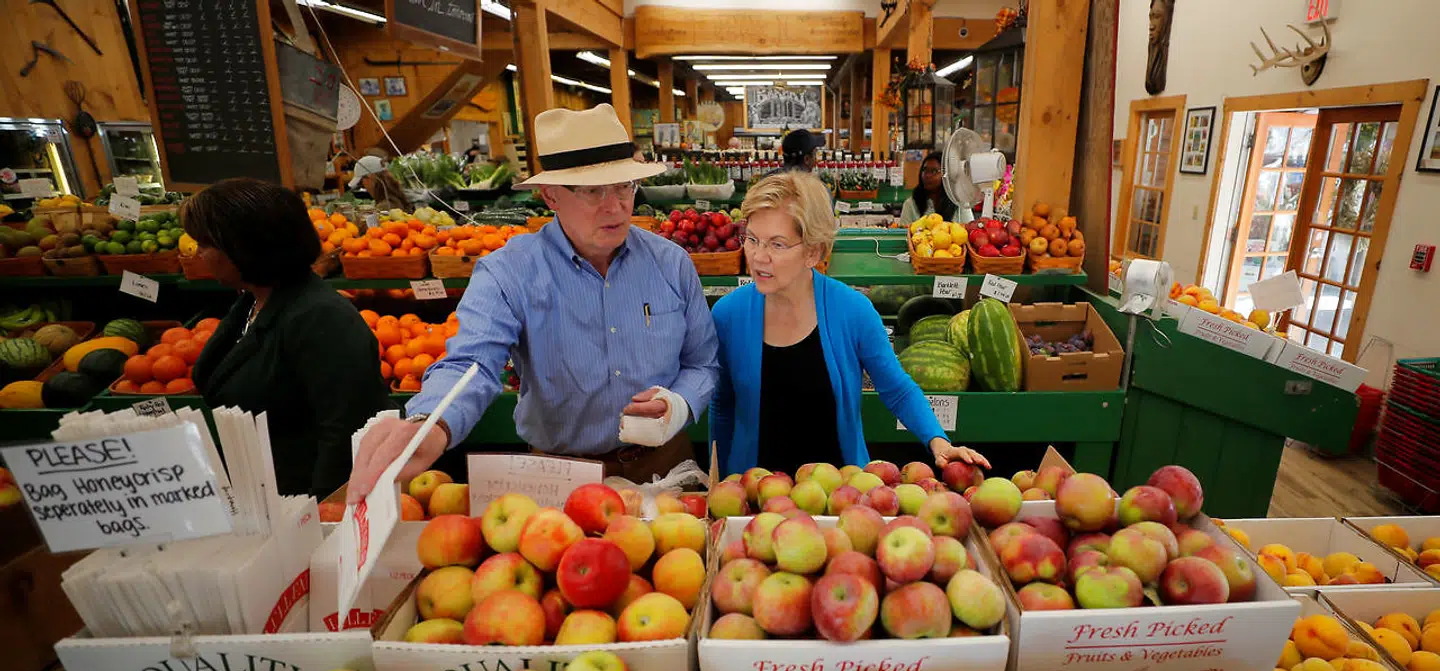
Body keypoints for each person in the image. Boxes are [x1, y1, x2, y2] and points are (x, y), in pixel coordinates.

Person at [346, 104, 719, 500]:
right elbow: (471, 361)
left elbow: (703, 362)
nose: (615, 206)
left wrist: (680, 404)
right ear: (550, 195)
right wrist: (431, 421)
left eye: (624, 186)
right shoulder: (509, 272)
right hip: (561, 476)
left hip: (665, 470)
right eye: (593, 190)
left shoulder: (670, 263)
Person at [710, 173, 989, 478]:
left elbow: (897, 388)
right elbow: (722, 406)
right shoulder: (728, 315)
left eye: (777, 244)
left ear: (813, 252)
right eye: (752, 239)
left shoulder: (852, 311)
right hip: (755, 493)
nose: (758, 257)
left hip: (842, 494)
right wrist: (721, 480)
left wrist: (938, 441)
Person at [184, 178, 393, 498]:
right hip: (260, 493)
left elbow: (344, 434)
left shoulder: (322, 318)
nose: (198, 253)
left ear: (243, 248)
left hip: (300, 503)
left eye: (205, 244)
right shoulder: (252, 301)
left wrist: (322, 512)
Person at [900, 151, 959, 225]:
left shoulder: (959, 204)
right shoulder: (910, 204)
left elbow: (969, 229)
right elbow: (903, 230)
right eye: (924, 170)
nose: (927, 175)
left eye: (934, 171)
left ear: (946, 175)